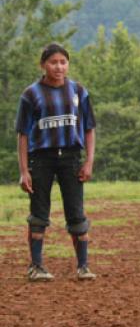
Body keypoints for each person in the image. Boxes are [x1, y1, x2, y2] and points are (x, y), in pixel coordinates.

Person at [16, 43, 97, 281]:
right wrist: (24, 170)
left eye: (63, 62)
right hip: (41, 159)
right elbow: (23, 134)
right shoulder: (31, 95)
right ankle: (36, 266)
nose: (59, 67)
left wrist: (89, 162)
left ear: (68, 64)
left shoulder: (78, 92)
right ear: (43, 65)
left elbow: (89, 129)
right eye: (53, 62)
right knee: (39, 212)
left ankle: (83, 266)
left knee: (76, 211)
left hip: (71, 158)